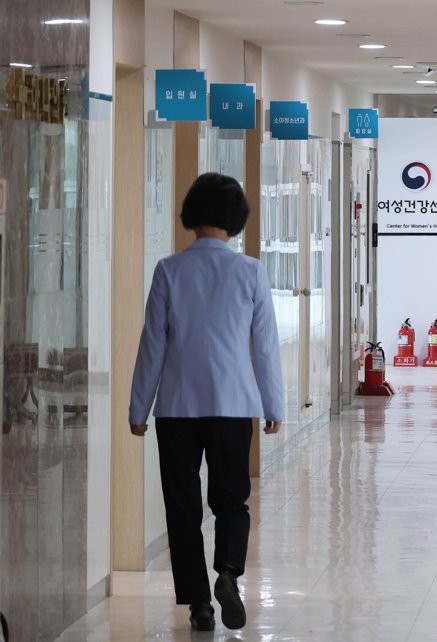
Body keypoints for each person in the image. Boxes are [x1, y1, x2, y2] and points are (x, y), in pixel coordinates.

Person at [129, 172, 284, 632]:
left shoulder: (168, 270)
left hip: (176, 408)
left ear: (190, 215)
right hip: (234, 406)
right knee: (232, 501)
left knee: (183, 509)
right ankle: (228, 574)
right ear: (236, 221)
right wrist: (273, 404)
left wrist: (139, 409)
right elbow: (265, 347)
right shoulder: (250, 271)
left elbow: (152, 345)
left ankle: (198, 603)